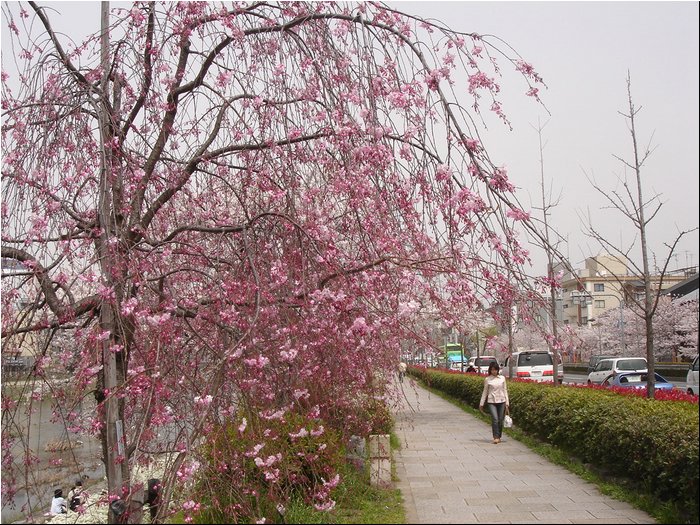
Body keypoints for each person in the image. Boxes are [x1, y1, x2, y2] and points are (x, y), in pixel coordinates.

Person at [479, 362, 510, 444]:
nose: (494, 371)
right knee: (495, 419)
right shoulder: (487, 379)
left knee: (500, 420)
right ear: (490, 370)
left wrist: (507, 402)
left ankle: (499, 436)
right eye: (492, 370)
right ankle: (495, 437)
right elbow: (485, 392)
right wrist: (481, 404)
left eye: (495, 369)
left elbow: (505, 390)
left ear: (497, 370)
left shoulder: (502, 378)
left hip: (501, 401)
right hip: (491, 401)